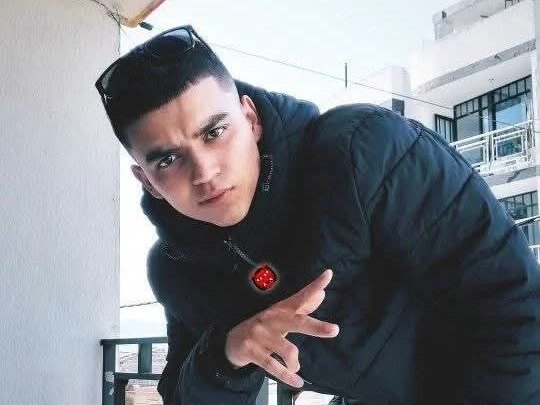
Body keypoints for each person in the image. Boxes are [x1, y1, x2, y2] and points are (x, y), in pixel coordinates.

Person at [95, 25, 540, 405]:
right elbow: (183, 394)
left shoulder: (365, 151)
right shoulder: (178, 267)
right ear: (146, 180)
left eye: (215, 132)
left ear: (250, 119)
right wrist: (226, 354)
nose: (205, 172)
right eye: (168, 159)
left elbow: (515, 311)